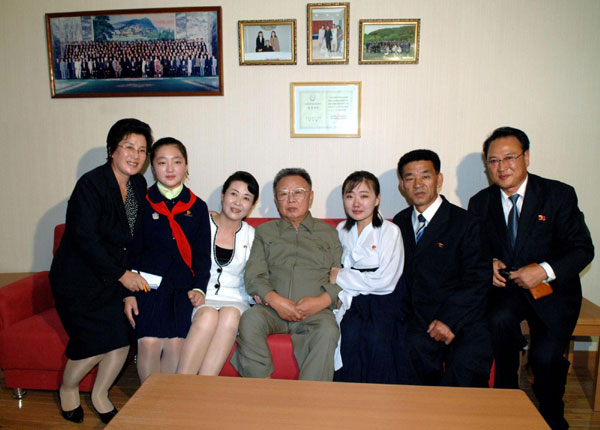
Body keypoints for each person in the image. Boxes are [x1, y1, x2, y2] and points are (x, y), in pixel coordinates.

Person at [468, 127, 594, 429]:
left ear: (526, 157)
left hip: (552, 291)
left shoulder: (558, 195)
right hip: (507, 292)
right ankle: (507, 402)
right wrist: (490, 263)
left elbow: (582, 249)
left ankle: (552, 412)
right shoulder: (480, 202)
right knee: (497, 324)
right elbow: (475, 249)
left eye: (509, 158)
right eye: (493, 161)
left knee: (546, 358)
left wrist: (544, 269)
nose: (501, 167)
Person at [49, 118, 153, 424]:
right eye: (128, 146)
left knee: (123, 337)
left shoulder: (137, 185)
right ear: (112, 150)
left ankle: (100, 393)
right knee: (94, 343)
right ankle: (68, 388)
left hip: (112, 278)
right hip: (78, 279)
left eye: (142, 150)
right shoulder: (91, 185)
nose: (135, 155)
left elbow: (137, 235)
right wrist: (123, 276)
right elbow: (85, 240)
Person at [393, 149, 492, 387]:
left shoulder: (467, 223)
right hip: (419, 320)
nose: (418, 184)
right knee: (409, 356)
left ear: (439, 179)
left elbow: (478, 279)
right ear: (402, 185)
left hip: (462, 318)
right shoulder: (399, 224)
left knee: (465, 369)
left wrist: (448, 320)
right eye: (409, 178)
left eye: (425, 176)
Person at [231, 168, 342, 381]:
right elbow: (254, 275)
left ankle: (310, 397)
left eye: (298, 192)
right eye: (283, 194)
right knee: (250, 320)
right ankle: (261, 389)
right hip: (272, 310)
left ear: (310, 197)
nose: (290, 199)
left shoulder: (329, 232)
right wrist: (275, 300)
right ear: (275, 200)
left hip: (315, 312)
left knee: (328, 330)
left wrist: (322, 301)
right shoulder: (264, 232)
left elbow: (342, 274)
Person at [123, 138, 210, 383]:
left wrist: (198, 288)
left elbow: (202, 255)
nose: (170, 169)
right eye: (162, 163)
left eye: (176, 162)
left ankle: (163, 400)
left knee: (175, 344)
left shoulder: (198, 207)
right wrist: (127, 292)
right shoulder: (140, 202)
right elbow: (129, 251)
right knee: (149, 342)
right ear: (152, 168)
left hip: (182, 289)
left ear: (186, 166)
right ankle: (149, 403)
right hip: (146, 286)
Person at [178, 171, 259, 375]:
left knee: (231, 315)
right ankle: (181, 384)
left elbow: (256, 274)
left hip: (235, 298)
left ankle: (205, 387)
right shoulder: (201, 223)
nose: (238, 202)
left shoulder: (252, 235)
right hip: (201, 294)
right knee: (207, 316)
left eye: (246, 198)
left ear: (252, 205)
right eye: (234, 194)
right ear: (222, 195)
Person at [331, 171, 406, 384]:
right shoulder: (340, 231)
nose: (356, 203)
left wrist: (342, 276)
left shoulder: (390, 231)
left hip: (383, 301)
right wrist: (340, 283)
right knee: (349, 336)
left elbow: (386, 281)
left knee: (376, 339)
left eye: (364, 196)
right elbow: (329, 274)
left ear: (377, 199)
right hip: (350, 301)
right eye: (349, 196)